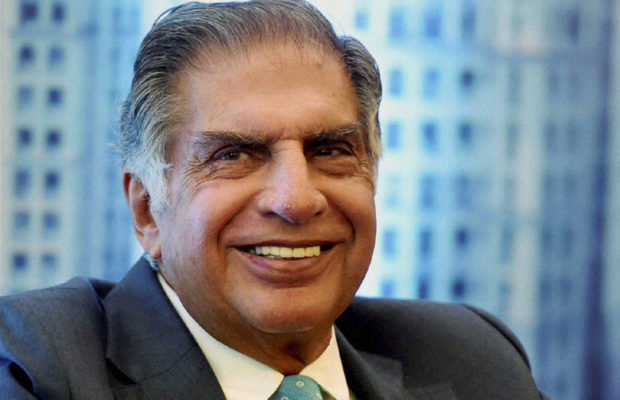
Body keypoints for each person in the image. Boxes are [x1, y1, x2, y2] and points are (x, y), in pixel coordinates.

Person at [0, 1, 549, 399]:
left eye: (330, 150)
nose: (296, 199)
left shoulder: (476, 361)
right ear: (147, 211)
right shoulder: (35, 367)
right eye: (234, 155)